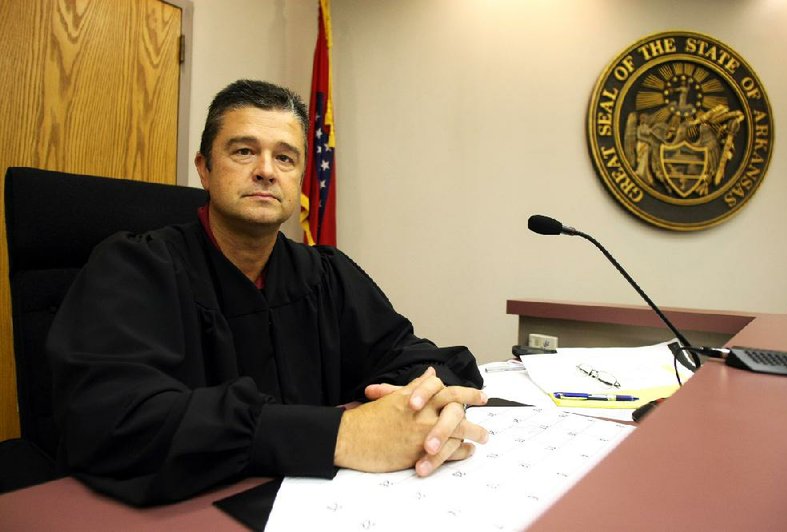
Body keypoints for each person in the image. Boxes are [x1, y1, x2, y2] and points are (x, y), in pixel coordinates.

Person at [47, 79, 488, 506]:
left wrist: (427, 404)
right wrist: (342, 435)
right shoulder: (135, 268)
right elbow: (112, 419)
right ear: (204, 168)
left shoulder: (326, 274)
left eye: (285, 158)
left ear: (299, 179)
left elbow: (411, 354)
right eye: (243, 151)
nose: (265, 171)